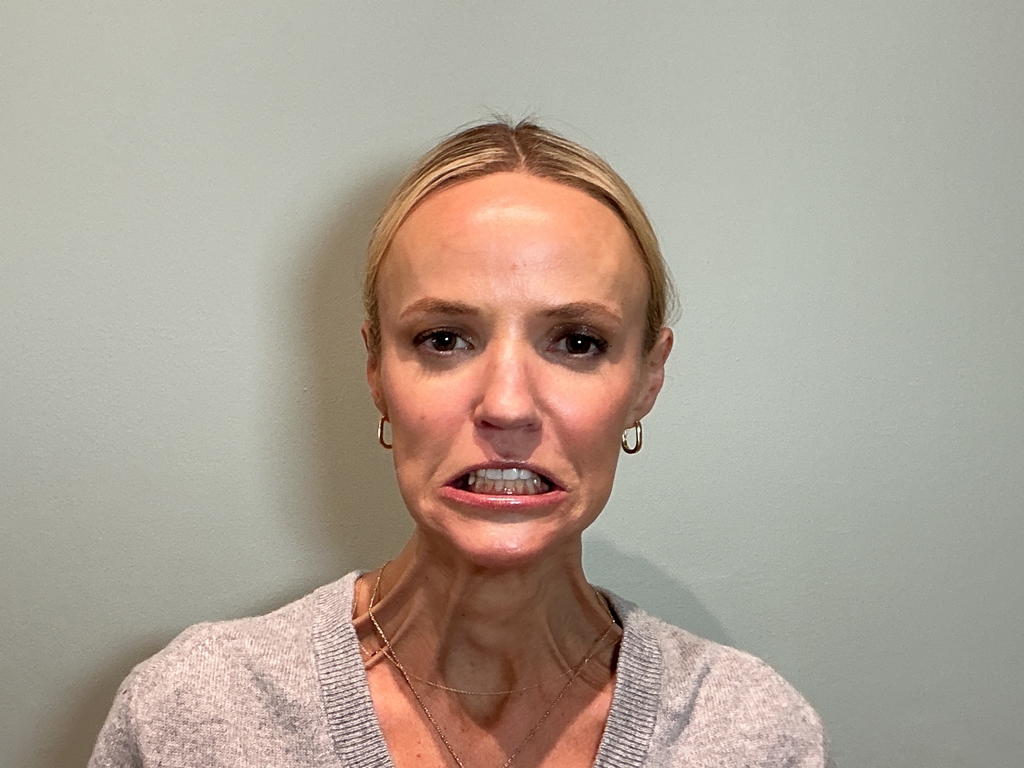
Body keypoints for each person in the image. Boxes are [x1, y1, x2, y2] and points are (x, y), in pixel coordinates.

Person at [90, 120, 832, 767]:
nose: (506, 406)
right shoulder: (194, 714)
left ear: (647, 379)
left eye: (577, 342)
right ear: (377, 372)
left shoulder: (751, 733)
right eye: (444, 339)